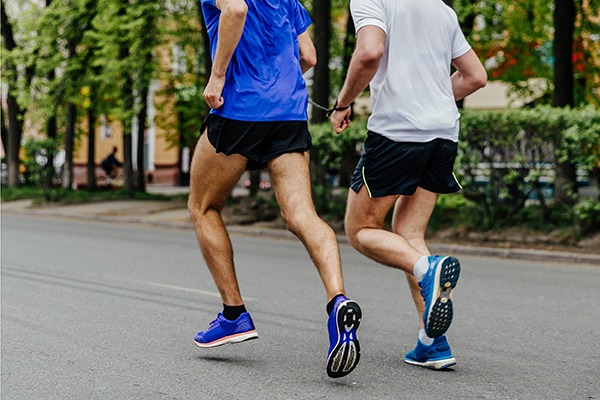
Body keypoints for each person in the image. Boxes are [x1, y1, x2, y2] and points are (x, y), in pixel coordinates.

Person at [189, 0, 361, 378]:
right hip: (288, 111)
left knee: (204, 207)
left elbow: (234, 9)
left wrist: (218, 77)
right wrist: (279, 81)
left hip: (239, 109)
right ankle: (338, 301)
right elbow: (309, 55)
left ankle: (234, 314)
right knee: (302, 216)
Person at [330, 0, 487, 369]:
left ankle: (427, 270)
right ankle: (432, 343)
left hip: (397, 133)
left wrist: (343, 102)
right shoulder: (442, 9)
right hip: (443, 134)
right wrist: (432, 97)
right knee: (409, 234)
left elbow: (369, 52)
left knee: (361, 230)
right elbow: (476, 76)